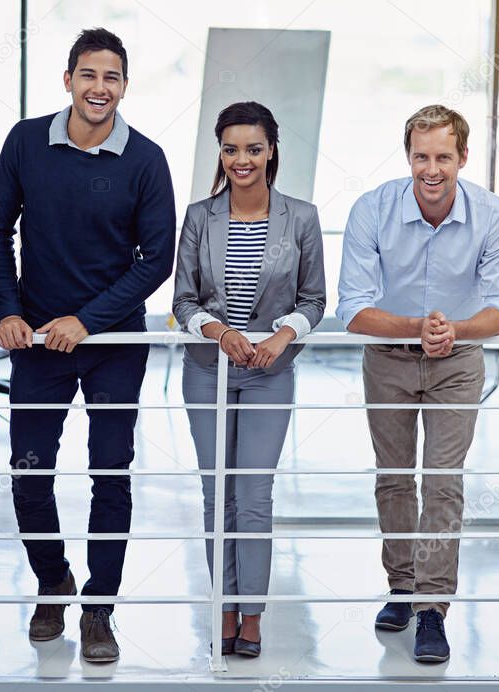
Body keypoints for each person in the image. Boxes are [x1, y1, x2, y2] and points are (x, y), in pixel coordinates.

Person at [0, 28, 175, 663]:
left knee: (109, 473)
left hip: (113, 341)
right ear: (68, 79)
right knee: (29, 472)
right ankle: (52, 580)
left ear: (124, 85)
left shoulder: (146, 159)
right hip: (36, 338)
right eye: (88, 75)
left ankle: (99, 608)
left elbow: (157, 262)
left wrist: (87, 321)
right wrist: (9, 311)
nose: (100, 88)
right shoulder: (24, 142)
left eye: (112, 77)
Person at [337, 104, 499, 663]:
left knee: (442, 481)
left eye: (443, 156)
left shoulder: (491, 214)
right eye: (421, 156)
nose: (431, 169)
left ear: (463, 157)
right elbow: (352, 308)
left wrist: (452, 331)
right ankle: (403, 586)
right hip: (388, 356)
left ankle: (432, 609)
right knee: (394, 479)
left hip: (458, 358)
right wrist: (418, 328)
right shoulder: (373, 210)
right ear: (408, 155)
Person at [173, 102, 326, 658]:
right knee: (218, 496)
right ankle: (224, 607)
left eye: (253, 149)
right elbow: (182, 300)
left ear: (271, 152)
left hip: (270, 373)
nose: (242, 160)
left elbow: (314, 299)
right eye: (231, 149)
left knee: (254, 495)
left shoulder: (301, 218)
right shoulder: (198, 216)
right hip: (207, 371)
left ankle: (253, 614)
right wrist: (218, 331)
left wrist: (280, 337)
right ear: (220, 152)